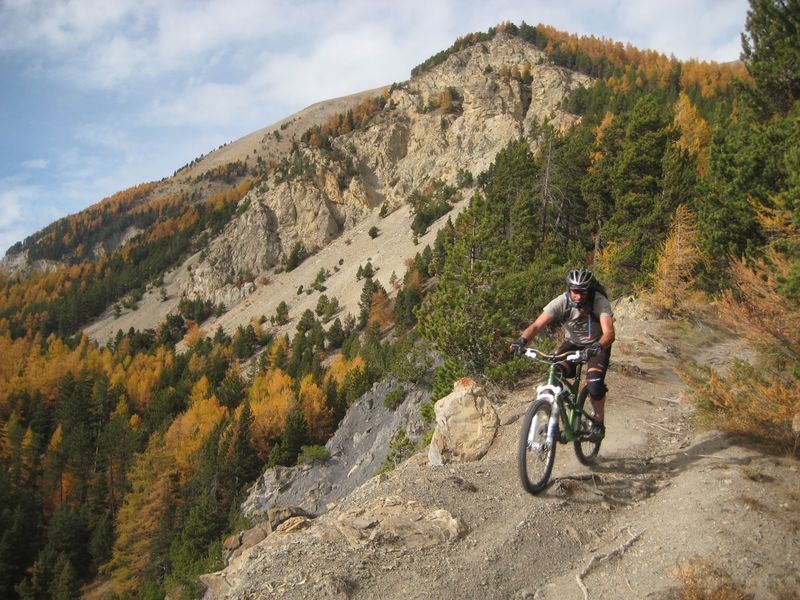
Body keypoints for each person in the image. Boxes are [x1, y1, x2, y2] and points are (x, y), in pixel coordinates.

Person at [511, 268, 615, 441]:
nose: (579, 296)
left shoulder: (599, 302)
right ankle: (555, 417)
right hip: (572, 344)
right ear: (569, 289)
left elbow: (609, 333)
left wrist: (597, 347)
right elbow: (537, 325)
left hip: (597, 345)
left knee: (594, 384)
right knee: (556, 372)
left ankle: (598, 421)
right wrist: (522, 341)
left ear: (589, 290)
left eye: (583, 292)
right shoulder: (562, 301)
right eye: (575, 292)